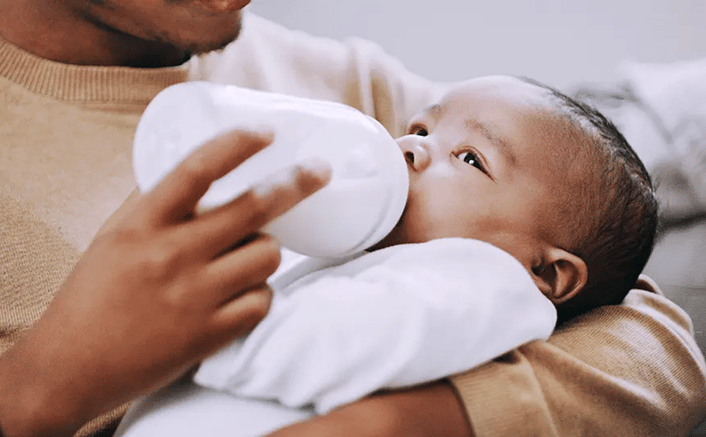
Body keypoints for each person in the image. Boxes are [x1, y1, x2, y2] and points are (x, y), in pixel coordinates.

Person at [0, 1, 703, 436]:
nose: (407, 148)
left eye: (457, 153)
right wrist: (39, 389)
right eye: (418, 132)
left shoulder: (343, 81)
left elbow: (651, 331)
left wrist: (410, 423)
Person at [115, 74, 660, 436]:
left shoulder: (483, 281)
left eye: (469, 158)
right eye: (420, 128)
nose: (411, 148)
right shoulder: (360, 246)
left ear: (545, 271)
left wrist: (179, 331)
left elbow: (329, 343)